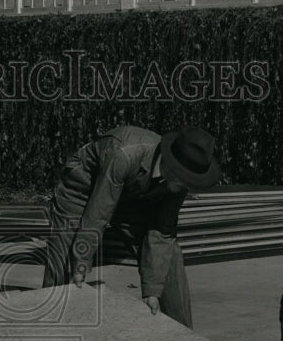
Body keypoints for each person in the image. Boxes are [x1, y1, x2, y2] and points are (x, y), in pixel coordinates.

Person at [42, 125, 221, 327]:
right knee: (65, 259)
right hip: (82, 189)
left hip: (132, 196)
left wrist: (153, 290)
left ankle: (184, 334)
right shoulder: (124, 154)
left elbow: (162, 231)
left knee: (170, 256)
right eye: (185, 180)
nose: (187, 187)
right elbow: (99, 212)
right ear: (171, 166)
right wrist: (81, 261)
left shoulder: (178, 185)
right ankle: (51, 324)